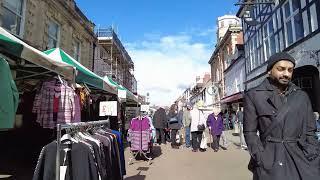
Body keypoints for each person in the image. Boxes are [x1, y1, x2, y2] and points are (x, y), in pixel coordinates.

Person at [244, 52, 320, 180]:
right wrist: (260, 157)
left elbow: (310, 130)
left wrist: (313, 152)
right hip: (270, 160)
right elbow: (249, 132)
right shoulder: (254, 95)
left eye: (290, 70)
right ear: (269, 71)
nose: (286, 74)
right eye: (281, 69)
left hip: (301, 158)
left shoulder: (301, 96)